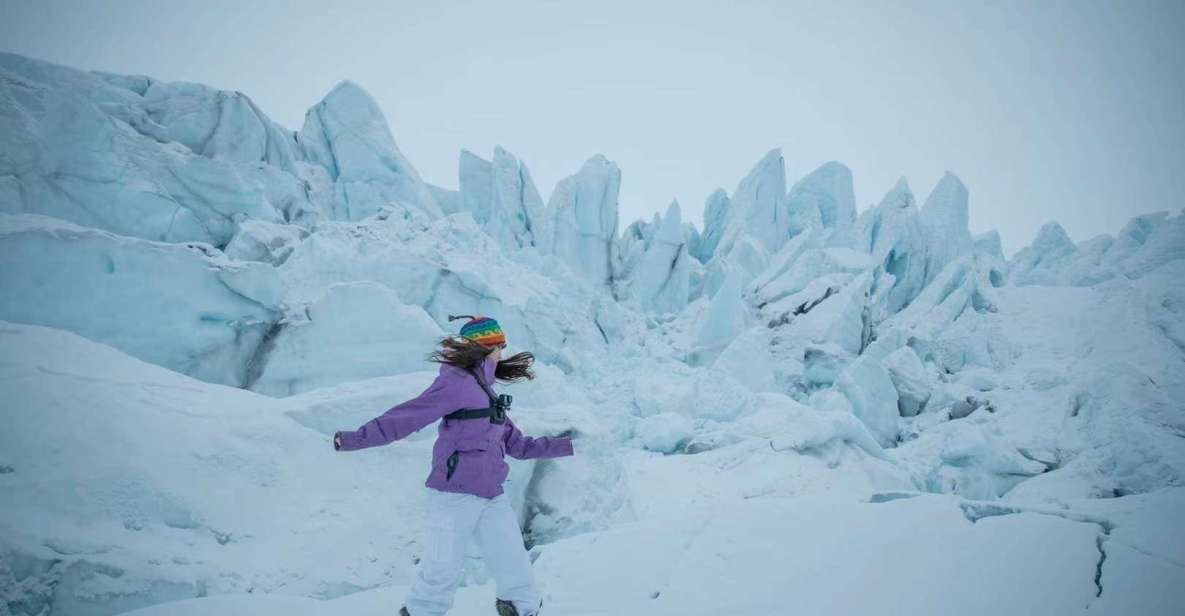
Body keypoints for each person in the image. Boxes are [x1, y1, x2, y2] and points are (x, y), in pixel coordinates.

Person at [333, 315, 576, 616]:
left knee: (513, 560)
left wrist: (568, 445)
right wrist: (355, 439)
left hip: (491, 494)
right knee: (441, 567)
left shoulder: (486, 392)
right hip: (453, 493)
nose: (503, 352)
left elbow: (518, 445)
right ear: (488, 347)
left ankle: (521, 608)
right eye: (500, 345)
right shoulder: (457, 383)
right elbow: (407, 417)